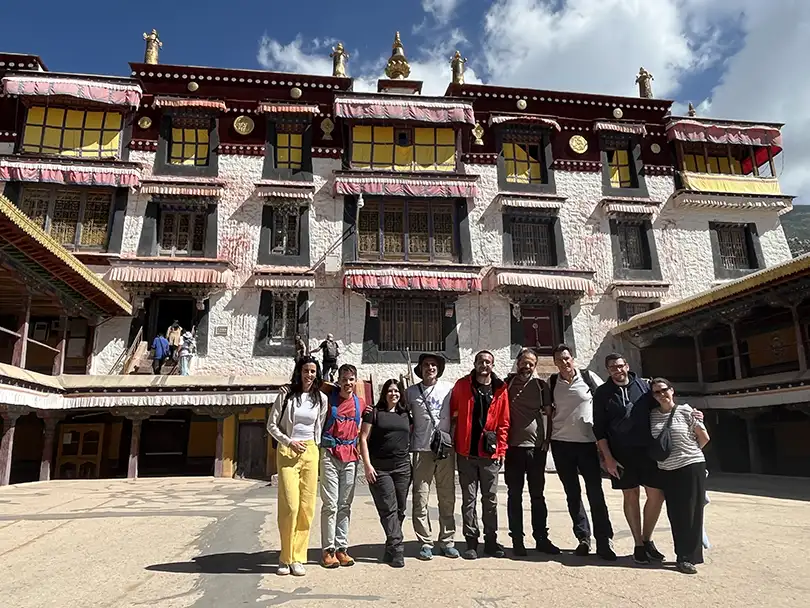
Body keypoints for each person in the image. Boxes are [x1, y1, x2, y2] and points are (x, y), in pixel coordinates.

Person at [593, 353, 702, 564]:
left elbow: (664, 403)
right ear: (608, 370)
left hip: (647, 451)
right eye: (613, 368)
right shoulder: (603, 393)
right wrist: (608, 458)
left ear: (627, 365)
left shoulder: (643, 386)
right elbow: (599, 429)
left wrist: (691, 413)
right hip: (620, 453)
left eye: (620, 366)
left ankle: (647, 538)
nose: (618, 371)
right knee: (630, 496)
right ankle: (638, 545)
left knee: (656, 495)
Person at [547, 344, 616, 560]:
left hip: (588, 444)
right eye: (559, 360)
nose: (564, 363)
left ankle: (604, 541)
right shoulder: (551, 383)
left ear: (573, 358)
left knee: (595, 492)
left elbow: (607, 400)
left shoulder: (588, 377)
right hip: (561, 444)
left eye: (566, 358)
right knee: (573, 494)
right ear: (555, 363)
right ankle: (583, 538)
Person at [267, 356, 329, 577]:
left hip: (311, 451)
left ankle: (298, 557)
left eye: (313, 371)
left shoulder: (321, 398)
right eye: (306, 371)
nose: (309, 375)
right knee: (290, 506)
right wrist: (288, 441)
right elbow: (271, 424)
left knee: (306, 507)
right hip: (288, 450)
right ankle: (285, 556)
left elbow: (318, 426)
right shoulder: (286, 395)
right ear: (299, 372)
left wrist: (316, 448)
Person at [447, 350, 510, 560]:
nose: (484, 364)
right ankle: (471, 541)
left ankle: (490, 541)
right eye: (481, 361)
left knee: (490, 499)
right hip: (466, 454)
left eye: (488, 362)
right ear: (474, 363)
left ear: (493, 365)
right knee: (469, 499)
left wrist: (501, 449)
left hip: (489, 455)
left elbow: (504, 422)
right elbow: (453, 414)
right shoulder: (462, 385)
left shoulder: (501, 388)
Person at [649, 378, 710, 575]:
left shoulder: (686, 410)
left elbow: (704, 437)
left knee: (692, 513)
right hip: (667, 470)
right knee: (675, 513)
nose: (661, 395)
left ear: (672, 391)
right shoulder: (652, 416)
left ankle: (687, 557)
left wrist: (691, 455)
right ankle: (681, 553)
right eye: (656, 393)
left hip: (691, 465)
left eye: (663, 390)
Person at [503, 348, 560, 556]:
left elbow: (549, 414)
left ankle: (541, 538)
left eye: (531, 363)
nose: (527, 366)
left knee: (537, 495)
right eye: (524, 362)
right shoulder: (506, 384)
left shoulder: (541, 386)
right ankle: (517, 539)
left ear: (535, 366)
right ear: (517, 362)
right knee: (514, 495)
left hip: (536, 448)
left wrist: (547, 439)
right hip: (512, 448)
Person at [406, 353, 459, 561]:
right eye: (427, 365)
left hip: (444, 449)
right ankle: (425, 542)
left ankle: (447, 540)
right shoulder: (411, 392)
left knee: (447, 496)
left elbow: (456, 414)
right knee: (421, 497)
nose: (430, 368)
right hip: (421, 449)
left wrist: (451, 438)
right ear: (420, 368)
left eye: (434, 365)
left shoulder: (448, 389)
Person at [359, 379, 412, 568]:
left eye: (397, 391)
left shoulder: (405, 414)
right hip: (381, 469)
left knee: (400, 510)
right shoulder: (374, 413)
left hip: (403, 468)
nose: (393, 394)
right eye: (390, 391)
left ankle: (390, 546)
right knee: (388, 508)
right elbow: (363, 438)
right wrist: (367, 465)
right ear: (384, 393)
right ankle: (398, 549)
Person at [319, 363, 364, 568]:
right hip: (329, 454)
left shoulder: (361, 403)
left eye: (351, 379)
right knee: (331, 504)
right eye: (344, 379)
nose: (348, 383)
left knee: (345, 504)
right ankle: (328, 550)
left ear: (355, 381)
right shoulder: (328, 400)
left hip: (351, 457)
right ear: (339, 380)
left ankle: (342, 548)